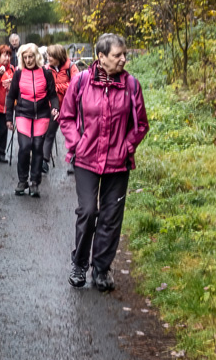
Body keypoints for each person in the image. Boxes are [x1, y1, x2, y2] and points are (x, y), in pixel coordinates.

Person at [59, 33, 149, 291]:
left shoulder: (131, 85)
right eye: (117, 55)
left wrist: (127, 146)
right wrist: (77, 143)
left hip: (118, 162)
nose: (123, 59)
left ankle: (101, 268)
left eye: (124, 54)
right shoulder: (81, 82)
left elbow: (141, 124)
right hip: (86, 158)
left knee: (111, 216)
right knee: (87, 212)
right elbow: (66, 117)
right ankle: (79, 263)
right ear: (101, 57)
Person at [4, 43, 59, 198]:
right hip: (23, 114)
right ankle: (22, 181)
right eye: (25, 57)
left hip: (42, 114)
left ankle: (34, 182)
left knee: (37, 147)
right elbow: (11, 97)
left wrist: (55, 108)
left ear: (37, 57)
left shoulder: (46, 73)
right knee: (24, 146)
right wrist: (9, 118)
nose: (28, 60)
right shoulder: (19, 73)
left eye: (31, 57)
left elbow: (53, 95)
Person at [42, 44, 80, 174]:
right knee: (49, 133)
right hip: (53, 107)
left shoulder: (71, 67)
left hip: (70, 107)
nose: (48, 58)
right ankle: (44, 160)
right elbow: (45, 87)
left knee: (71, 134)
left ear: (58, 57)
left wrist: (57, 87)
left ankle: (73, 161)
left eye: (51, 56)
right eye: (48, 55)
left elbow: (76, 84)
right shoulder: (46, 69)